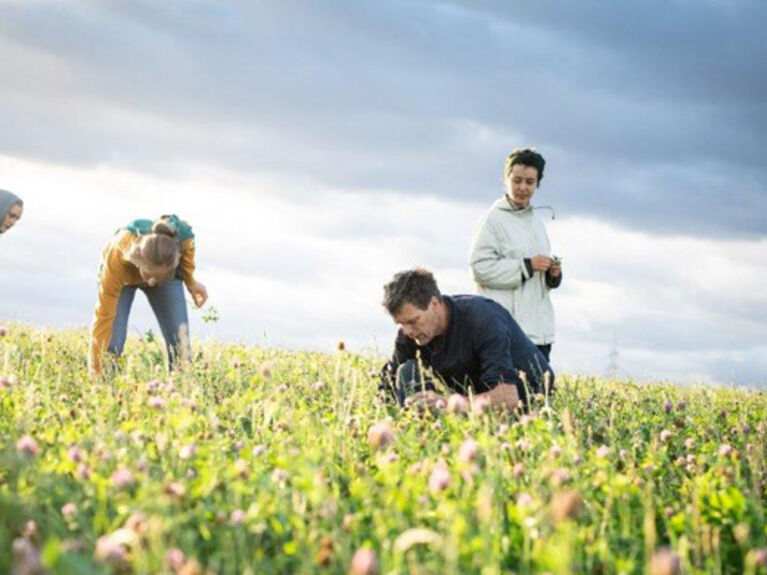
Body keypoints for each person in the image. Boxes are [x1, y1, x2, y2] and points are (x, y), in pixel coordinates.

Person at [380, 267, 553, 410]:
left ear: (433, 304)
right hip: (471, 395)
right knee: (406, 371)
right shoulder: (408, 334)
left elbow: (508, 397)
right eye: (401, 324)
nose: (408, 331)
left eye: (413, 321)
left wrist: (448, 403)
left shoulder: (484, 319)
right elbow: (386, 385)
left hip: (526, 396)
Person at [469, 148, 562, 362]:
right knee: (508, 394)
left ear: (538, 184)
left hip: (540, 332)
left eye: (529, 182)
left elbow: (538, 281)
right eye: (517, 180)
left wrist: (552, 275)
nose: (522, 188)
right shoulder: (492, 220)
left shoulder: (538, 223)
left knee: (539, 394)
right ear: (505, 180)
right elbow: (479, 268)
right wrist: (527, 265)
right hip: (507, 331)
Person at [89, 215, 208, 375]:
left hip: (164, 270)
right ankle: (106, 388)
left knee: (181, 347)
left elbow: (188, 248)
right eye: (150, 276)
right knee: (112, 343)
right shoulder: (117, 257)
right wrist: (95, 371)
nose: (152, 283)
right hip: (125, 276)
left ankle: (180, 392)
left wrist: (190, 281)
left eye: (157, 279)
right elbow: (103, 320)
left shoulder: (180, 237)